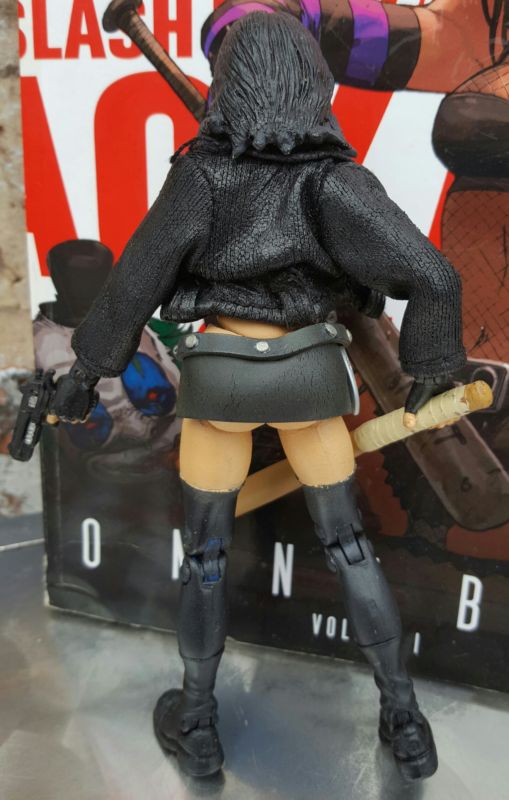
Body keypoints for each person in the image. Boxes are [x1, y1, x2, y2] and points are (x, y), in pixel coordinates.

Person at [51, 12, 465, 782]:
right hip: (310, 382)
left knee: (205, 558)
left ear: (227, 83)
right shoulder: (334, 178)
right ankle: (404, 718)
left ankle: (198, 724)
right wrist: (432, 362)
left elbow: (133, 283)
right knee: (350, 548)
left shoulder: (201, 174)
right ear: (313, 81)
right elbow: (434, 274)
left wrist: (83, 373)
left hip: (222, 383)